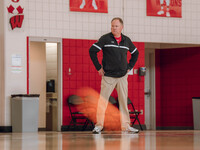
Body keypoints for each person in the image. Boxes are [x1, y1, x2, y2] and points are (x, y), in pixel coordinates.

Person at [89, 17, 139, 134]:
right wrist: (98, 67)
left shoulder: (127, 40)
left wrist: (129, 67)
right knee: (103, 102)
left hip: (122, 77)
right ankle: (99, 126)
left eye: (116, 26)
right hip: (108, 77)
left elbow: (135, 53)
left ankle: (126, 126)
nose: (114, 28)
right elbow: (92, 51)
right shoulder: (105, 38)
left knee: (123, 102)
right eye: (112, 26)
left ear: (122, 27)